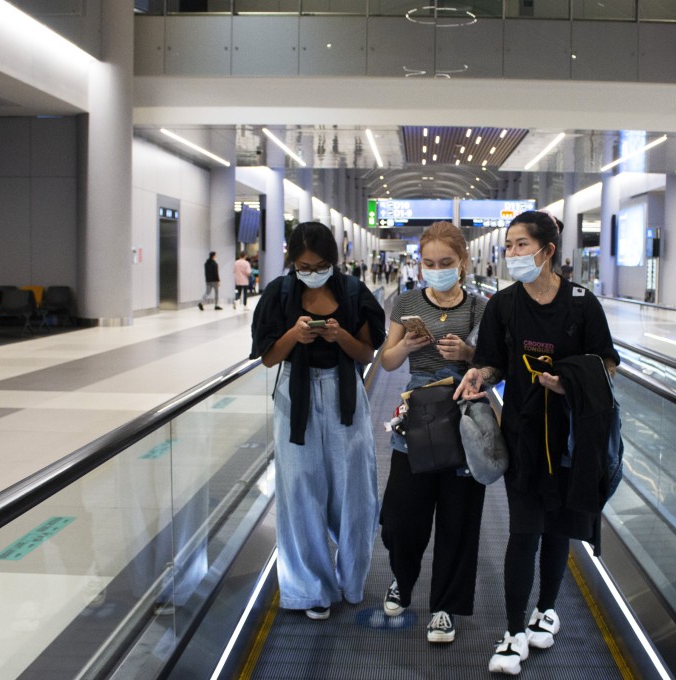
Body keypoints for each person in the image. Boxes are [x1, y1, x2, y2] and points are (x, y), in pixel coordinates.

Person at [454, 211, 620, 675]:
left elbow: (607, 363)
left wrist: (569, 383)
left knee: (558, 526)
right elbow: (492, 361)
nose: (512, 253)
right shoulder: (505, 305)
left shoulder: (582, 304)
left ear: (548, 251)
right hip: (523, 433)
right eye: (509, 245)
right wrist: (479, 375)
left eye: (521, 245)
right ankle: (513, 632)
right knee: (525, 529)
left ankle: (546, 608)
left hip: (570, 436)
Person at [255, 221, 387, 620]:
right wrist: (294, 336)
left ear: (334, 260)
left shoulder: (353, 293)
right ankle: (310, 588)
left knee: (354, 488)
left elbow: (366, 353)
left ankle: (351, 579)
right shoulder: (279, 294)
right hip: (295, 396)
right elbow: (268, 357)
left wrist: (339, 336)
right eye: (304, 267)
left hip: (344, 393)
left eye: (320, 266)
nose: (312, 273)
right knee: (299, 488)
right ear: (292, 263)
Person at [379, 221, 488, 644]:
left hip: (463, 417)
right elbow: (387, 361)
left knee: (459, 516)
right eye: (429, 262)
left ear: (462, 262)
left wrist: (467, 353)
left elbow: (493, 363)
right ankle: (402, 579)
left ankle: (445, 606)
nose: (437, 270)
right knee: (401, 514)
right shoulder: (407, 301)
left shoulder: (479, 307)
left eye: (446, 262)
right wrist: (406, 345)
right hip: (416, 417)